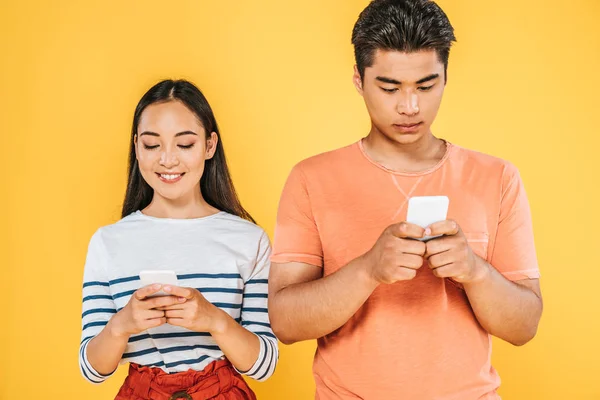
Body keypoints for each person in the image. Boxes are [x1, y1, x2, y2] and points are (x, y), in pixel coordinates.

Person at [268, 1, 542, 399]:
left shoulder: (497, 177)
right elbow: (286, 323)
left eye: (426, 86)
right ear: (360, 81)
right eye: (390, 87)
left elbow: (525, 326)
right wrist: (367, 270)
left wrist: (475, 272)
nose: (410, 107)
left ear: (446, 78)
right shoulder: (311, 178)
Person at [79, 79, 277, 400]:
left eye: (184, 144)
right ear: (137, 148)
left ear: (209, 146)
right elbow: (92, 370)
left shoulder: (249, 239)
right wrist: (122, 324)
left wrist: (213, 319)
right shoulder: (107, 242)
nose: (168, 160)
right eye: (152, 144)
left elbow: (264, 364)